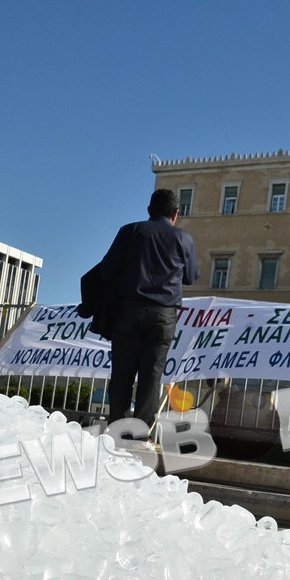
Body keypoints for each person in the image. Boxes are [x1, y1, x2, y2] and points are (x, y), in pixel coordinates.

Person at [97, 189, 199, 441]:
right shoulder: (184, 239)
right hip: (164, 315)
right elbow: (191, 276)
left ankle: (116, 433)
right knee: (151, 376)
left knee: (122, 374)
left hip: (128, 311)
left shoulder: (129, 231)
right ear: (176, 214)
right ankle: (141, 436)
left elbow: (107, 268)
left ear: (149, 210)